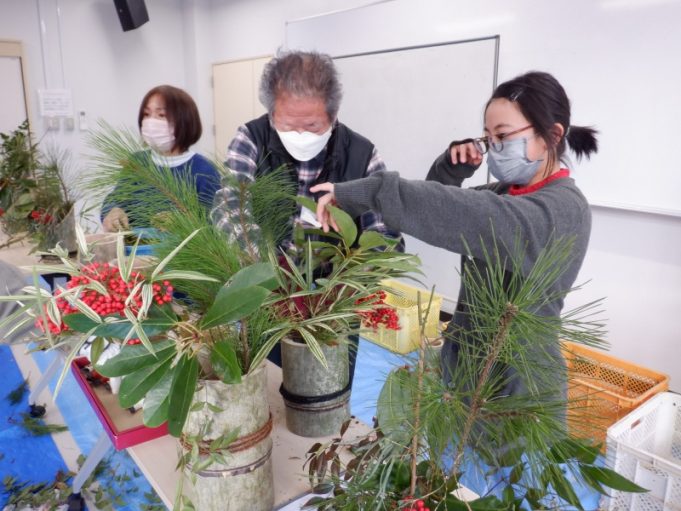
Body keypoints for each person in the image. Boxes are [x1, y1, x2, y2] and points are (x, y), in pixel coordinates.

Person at [311, 71, 598, 398]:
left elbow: (467, 214)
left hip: (516, 389)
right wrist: (450, 169)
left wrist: (369, 191)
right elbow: (437, 212)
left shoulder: (564, 209)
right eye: (488, 139)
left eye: (503, 136)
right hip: (466, 369)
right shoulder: (506, 192)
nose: (493, 149)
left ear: (552, 136)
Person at [211, 50, 404, 377]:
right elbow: (230, 208)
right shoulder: (252, 139)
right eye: (288, 125)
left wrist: (344, 287)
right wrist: (270, 273)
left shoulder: (362, 154)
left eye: (312, 126)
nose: (300, 135)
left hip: (333, 306)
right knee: (267, 380)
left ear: (333, 113)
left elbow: (385, 235)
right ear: (271, 113)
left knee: (329, 385)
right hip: (267, 298)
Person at [102, 85, 221, 231]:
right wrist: (112, 211)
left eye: (161, 115)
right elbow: (116, 198)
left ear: (185, 121)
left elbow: (217, 224)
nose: (151, 122)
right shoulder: (137, 162)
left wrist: (184, 222)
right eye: (146, 114)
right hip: (134, 245)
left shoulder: (204, 170)